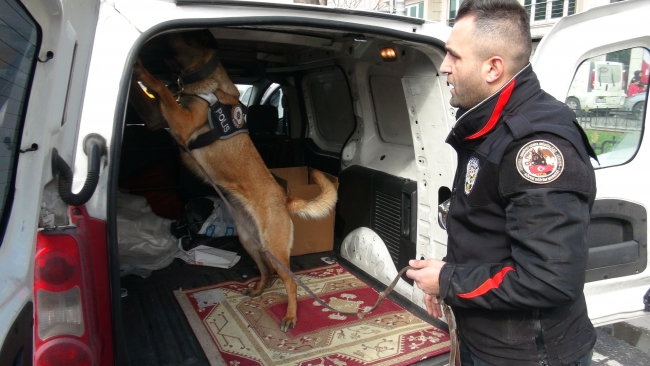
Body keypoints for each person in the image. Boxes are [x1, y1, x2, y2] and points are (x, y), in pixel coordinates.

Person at [405, 1, 598, 365]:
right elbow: (489, 231)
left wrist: (449, 281)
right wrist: (447, 273)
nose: (444, 67)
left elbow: (549, 278)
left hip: (528, 355)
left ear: (493, 67)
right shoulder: (489, 126)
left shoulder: (535, 147)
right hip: (489, 340)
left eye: (454, 56)